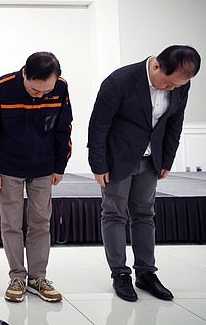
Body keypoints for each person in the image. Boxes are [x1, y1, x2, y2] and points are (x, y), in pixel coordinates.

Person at [88, 45, 201, 302]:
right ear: (157, 66)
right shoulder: (120, 81)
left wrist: (167, 160)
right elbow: (98, 125)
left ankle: (146, 273)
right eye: (169, 83)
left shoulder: (181, 85)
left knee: (144, 215)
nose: (173, 89)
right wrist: (98, 165)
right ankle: (120, 274)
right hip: (117, 158)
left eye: (179, 86)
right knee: (114, 214)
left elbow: (175, 123)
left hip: (152, 160)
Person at [0, 51, 72, 303]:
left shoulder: (60, 88)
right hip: (8, 167)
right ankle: (17, 276)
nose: (40, 95)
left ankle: (38, 278)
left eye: (46, 91)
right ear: (24, 74)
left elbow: (64, 126)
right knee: (11, 223)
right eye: (35, 90)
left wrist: (60, 165)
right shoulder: (0, 89)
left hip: (44, 166)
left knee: (41, 221)